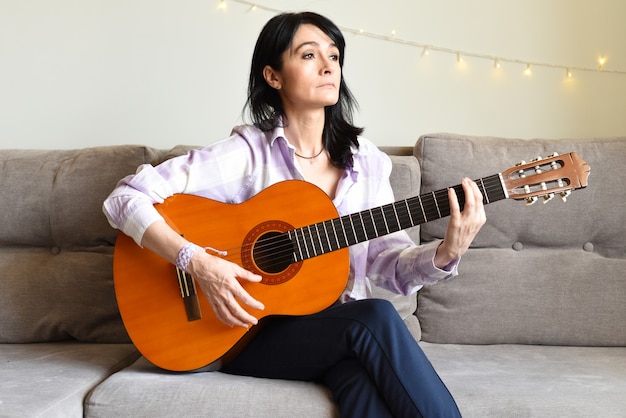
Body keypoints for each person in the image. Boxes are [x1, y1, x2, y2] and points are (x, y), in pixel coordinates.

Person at [103, 11, 485, 418]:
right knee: (374, 316)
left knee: (361, 381)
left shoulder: (368, 163)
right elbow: (125, 198)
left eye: (334, 56)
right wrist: (198, 264)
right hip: (243, 335)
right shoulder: (248, 155)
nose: (327, 66)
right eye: (308, 55)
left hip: (334, 331)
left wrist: (445, 253)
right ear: (273, 76)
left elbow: (386, 263)